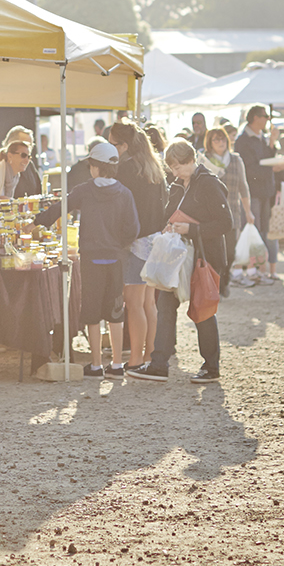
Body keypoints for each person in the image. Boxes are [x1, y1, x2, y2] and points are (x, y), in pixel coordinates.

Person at [33, 140, 137, 379]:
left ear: (95, 167)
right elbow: (133, 229)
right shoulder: (125, 193)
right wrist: (118, 245)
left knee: (91, 312)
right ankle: (118, 365)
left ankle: (97, 365)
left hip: (91, 259)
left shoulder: (85, 190)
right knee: (115, 312)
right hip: (115, 259)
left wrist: (38, 221)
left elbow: (61, 207)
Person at [138, 140, 232, 384]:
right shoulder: (179, 185)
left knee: (202, 308)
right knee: (166, 305)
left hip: (204, 257)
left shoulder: (209, 184)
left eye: (179, 167)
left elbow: (225, 223)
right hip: (179, 255)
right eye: (172, 168)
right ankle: (159, 363)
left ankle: (212, 366)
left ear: (192, 160)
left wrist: (191, 228)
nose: (175, 172)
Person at [109, 119, 169, 379]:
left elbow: (122, 210)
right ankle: (148, 355)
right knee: (147, 304)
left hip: (137, 242)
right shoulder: (153, 165)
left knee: (133, 304)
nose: (111, 149)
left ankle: (134, 361)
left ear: (123, 145)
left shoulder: (127, 169)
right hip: (155, 239)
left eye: (113, 144)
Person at [234, 105, 281, 281]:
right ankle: (253, 269)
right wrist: (271, 169)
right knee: (254, 229)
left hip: (265, 191)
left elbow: (267, 159)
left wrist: (271, 143)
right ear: (254, 118)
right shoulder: (243, 140)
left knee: (263, 230)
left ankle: (259, 269)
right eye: (265, 116)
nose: (267, 119)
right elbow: (248, 169)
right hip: (252, 192)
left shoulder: (262, 138)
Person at [201, 127, 253, 251]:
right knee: (213, 252)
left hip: (232, 212)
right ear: (209, 143)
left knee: (230, 252)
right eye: (216, 140)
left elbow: (243, 186)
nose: (221, 142)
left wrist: (248, 211)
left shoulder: (235, 159)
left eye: (223, 139)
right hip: (209, 215)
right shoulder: (203, 160)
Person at [0, 126, 43, 199]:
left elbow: (38, 189)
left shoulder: (29, 165)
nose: (27, 148)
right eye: (23, 144)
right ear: (10, 143)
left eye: (30, 145)